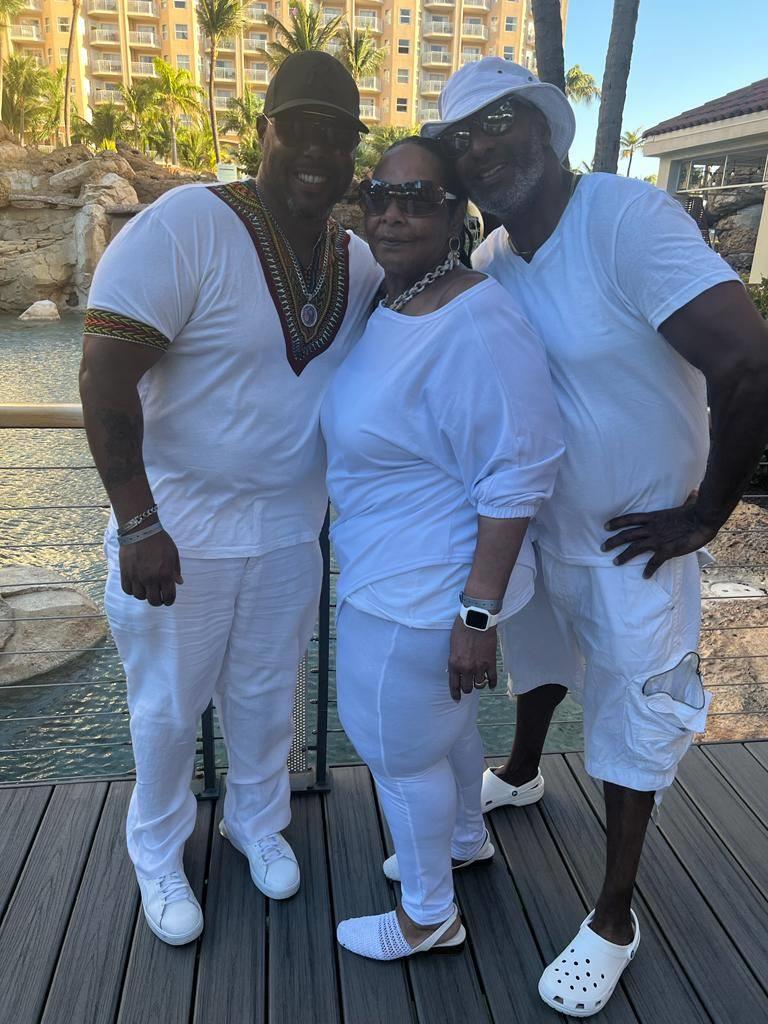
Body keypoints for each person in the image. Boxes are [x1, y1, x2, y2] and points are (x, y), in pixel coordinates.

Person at [422, 57, 768, 1015]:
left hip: (636, 543)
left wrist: (707, 515)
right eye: (463, 138)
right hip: (539, 533)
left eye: (501, 122)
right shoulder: (493, 263)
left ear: (546, 127)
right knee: (538, 660)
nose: (483, 147)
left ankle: (615, 914)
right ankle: (527, 772)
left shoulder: (626, 219)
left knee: (631, 716)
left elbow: (749, 364)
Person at [79, 52, 382, 946]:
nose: (317, 150)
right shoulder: (185, 226)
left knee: (263, 696)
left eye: (336, 133)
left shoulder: (357, 260)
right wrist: (138, 520)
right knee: (169, 707)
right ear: (265, 130)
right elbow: (103, 376)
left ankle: (257, 823)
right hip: (180, 530)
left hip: (291, 531)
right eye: (300, 127)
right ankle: (159, 851)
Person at [322, 137, 564, 960]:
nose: (393, 212)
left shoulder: (475, 317)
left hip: (423, 593)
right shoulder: (395, 301)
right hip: (400, 570)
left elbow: (519, 470)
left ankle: (430, 916)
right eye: (378, 193)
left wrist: (476, 613)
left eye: (419, 197)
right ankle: (464, 839)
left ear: (456, 211)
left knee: (397, 753)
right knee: (445, 730)